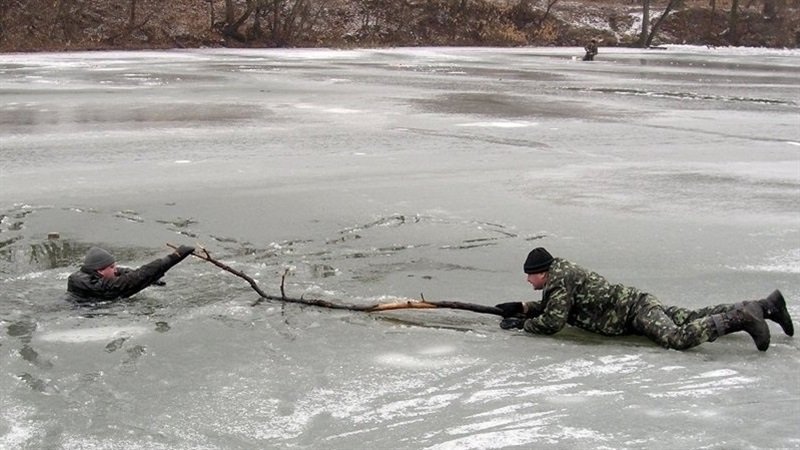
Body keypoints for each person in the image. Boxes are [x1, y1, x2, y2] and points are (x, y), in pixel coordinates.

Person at [495, 247, 793, 352]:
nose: (527, 280)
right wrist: (523, 307)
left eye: (529, 276)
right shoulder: (559, 276)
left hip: (634, 312)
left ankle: (741, 317)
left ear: (542, 273)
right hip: (635, 304)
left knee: (676, 338)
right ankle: (768, 306)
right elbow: (560, 305)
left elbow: (554, 321)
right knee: (689, 317)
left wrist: (524, 325)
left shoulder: (559, 280)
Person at [66, 245, 195, 303]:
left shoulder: (88, 273)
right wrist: (174, 257)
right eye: (111, 267)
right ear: (100, 270)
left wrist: (151, 279)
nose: (115, 270)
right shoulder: (95, 286)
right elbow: (134, 280)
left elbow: (125, 272)